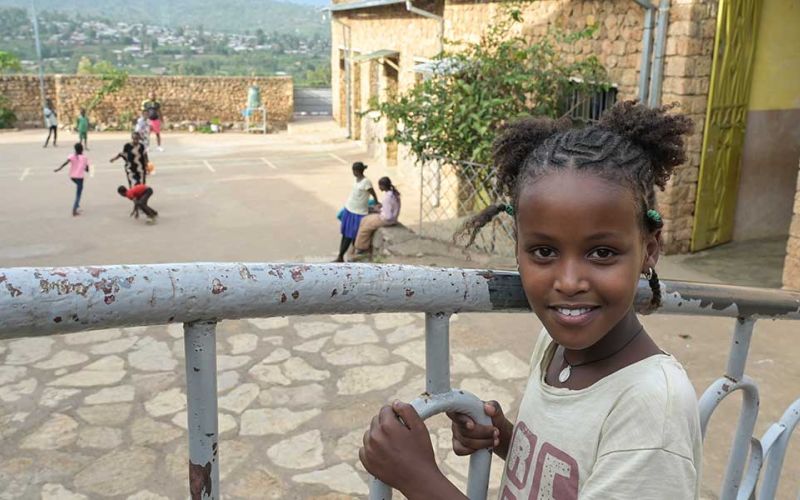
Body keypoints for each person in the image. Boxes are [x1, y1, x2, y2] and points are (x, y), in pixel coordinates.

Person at [358, 101, 702, 499]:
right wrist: (508, 440)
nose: (569, 282)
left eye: (602, 253)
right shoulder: (556, 345)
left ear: (649, 249)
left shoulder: (653, 409)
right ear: (517, 248)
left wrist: (419, 479)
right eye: (543, 252)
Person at [335, 161, 378, 262]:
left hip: (358, 212)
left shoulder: (366, 182)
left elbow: (373, 193)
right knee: (346, 235)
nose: (353, 172)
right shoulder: (357, 179)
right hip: (350, 209)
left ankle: (345, 256)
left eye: (354, 170)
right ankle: (341, 255)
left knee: (352, 236)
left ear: (358, 171)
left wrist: (376, 203)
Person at [354, 176, 401, 256]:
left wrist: (378, 210)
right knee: (364, 220)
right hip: (390, 218)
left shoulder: (387, 198)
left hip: (386, 220)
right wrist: (381, 208)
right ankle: (363, 244)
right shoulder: (392, 194)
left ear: (383, 186)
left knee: (366, 225)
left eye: (379, 186)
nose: (379, 187)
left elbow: (388, 216)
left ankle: (361, 247)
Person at [53, 142, 90, 216]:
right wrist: (85, 167)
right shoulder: (84, 158)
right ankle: (74, 210)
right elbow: (87, 170)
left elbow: (65, 163)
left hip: (72, 177)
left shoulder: (72, 156)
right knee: (78, 194)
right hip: (80, 177)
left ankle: (77, 205)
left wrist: (58, 169)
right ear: (82, 149)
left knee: (78, 189)